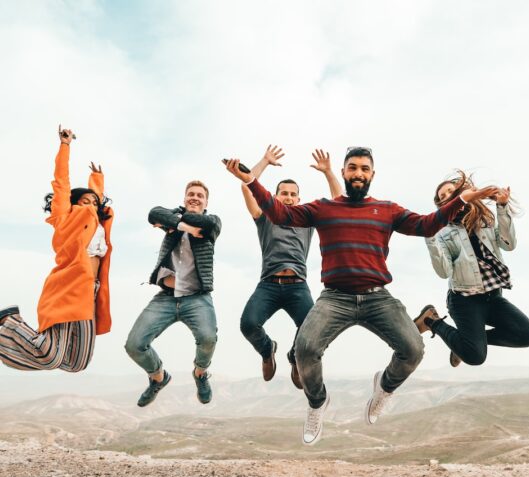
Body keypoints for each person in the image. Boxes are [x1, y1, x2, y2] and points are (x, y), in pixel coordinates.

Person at [225, 147, 499, 445]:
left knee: (413, 349)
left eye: (364, 169)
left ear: (372, 174)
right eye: (352, 168)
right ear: (344, 173)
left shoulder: (387, 209)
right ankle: (317, 403)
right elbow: (279, 213)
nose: (358, 173)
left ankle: (384, 386)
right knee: (304, 350)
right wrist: (251, 179)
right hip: (335, 299)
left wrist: (462, 200)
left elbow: (426, 225)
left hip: (377, 297)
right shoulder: (323, 208)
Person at [0, 125, 113, 372]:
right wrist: (65, 145)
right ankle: (8, 322)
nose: (91, 206)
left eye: (94, 202)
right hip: (69, 286)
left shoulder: (97, 221)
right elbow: (62, 183)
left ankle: (12, 338)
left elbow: (97, 201)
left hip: (90, 292)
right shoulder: (65, 216)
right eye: (85, 202)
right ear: (73, 204)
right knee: (50, 357)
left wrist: (97, 181)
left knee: (76, 364)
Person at [239, 145, 343, 387]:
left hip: (298, 287)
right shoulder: (264, 217)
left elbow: (339, 203)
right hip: (268, 285)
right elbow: (246, 185)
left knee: (314, 331)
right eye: (283, 193)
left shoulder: (307, 220)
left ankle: (295, 357)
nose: (287, 197)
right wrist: (264, 160)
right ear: (275, 197)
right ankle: (268, 350)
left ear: (298, 198)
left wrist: (328, 172)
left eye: (292, 194)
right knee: (248, 324)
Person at [414, 170, 529, 365]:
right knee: (475, 357)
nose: (446, 198)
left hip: (493, 297)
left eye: (450, 192)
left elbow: (508, 244)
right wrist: (429, 235)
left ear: (461, 194)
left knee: (527, 335)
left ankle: (463, 344)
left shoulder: (484, 220)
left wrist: (502, 207)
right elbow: (443, 272)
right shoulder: (441, 232)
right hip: (464, 301)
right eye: (442, 198)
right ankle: (432, 321)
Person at [124, 180, 221, 407]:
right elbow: (153, 213)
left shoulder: (213, 222)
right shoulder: (176, 217)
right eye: (190, 194)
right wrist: (182, 226)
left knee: (208, 339)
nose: (194, 198)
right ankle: (158, 377)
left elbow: (203, 223)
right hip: (166, 297)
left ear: (206, 202)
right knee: (134, 345)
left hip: (197, 297)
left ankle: (200, 373)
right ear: (184, 197)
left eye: (200, 195)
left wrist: (172, 223)